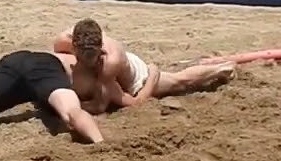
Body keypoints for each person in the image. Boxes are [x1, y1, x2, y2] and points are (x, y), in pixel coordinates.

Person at [51, 19, 236, 111]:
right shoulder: (63, 41)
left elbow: (108, 105)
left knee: (179, 81)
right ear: (74, 46)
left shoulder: (108, 64)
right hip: (119, 65)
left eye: (93, 58)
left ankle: (221, 69)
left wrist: (152, 78)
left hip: (136, 78)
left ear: (101, 49)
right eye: (84, 58)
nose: (89, 63)